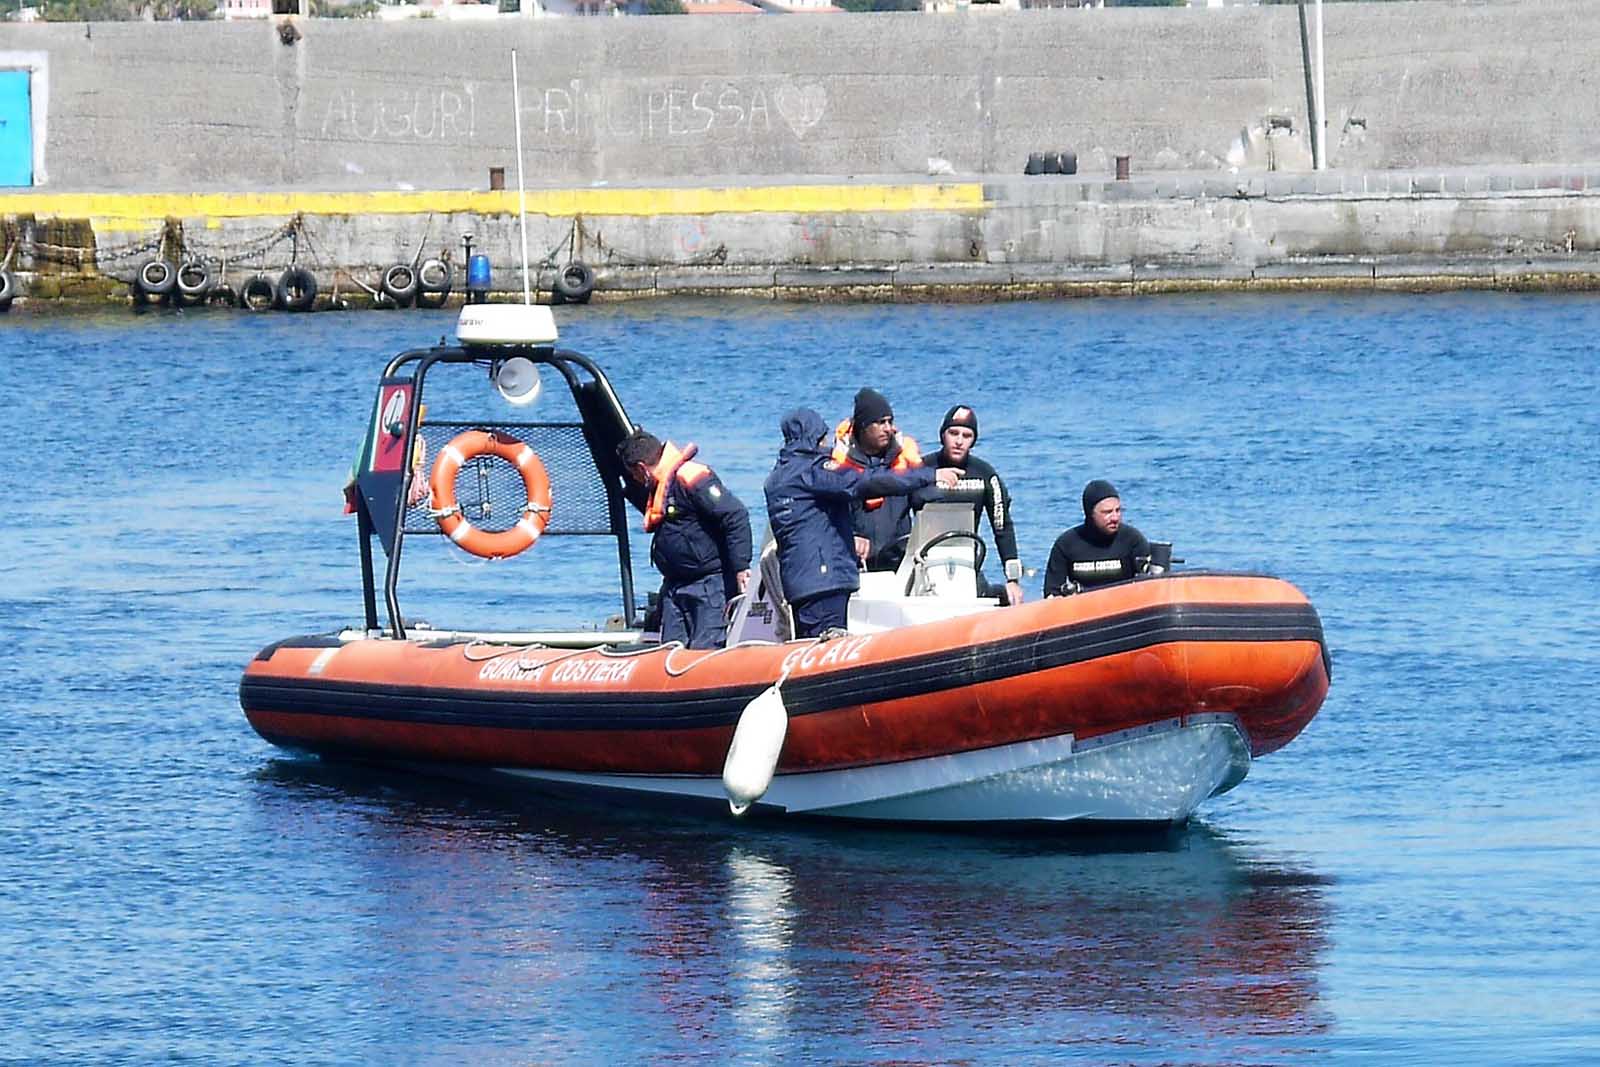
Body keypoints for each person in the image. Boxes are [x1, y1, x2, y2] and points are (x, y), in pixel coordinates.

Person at [765, 408, 959, 638]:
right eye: (822, 438)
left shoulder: (777, 478)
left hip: (798, 582)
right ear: (812, 438)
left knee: (809, 643)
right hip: (825, 581)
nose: (826, 443)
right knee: (828, 647)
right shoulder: (813, 472)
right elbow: (866, 483)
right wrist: (929, 476)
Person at [617, 429, 752, 649]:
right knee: (669, 651)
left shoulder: (691, 477)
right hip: (674, 587)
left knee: (705, 652)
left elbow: (735, 515)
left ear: (642, 468)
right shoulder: (657, 486)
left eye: (634, 474)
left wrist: (741, 567)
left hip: (709, 586)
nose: (635, 480)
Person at [917, 404, 1025, 606]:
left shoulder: (985, 474)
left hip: (966, 564)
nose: (959, 441)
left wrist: (1013, 580)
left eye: (966, 436)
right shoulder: (921, 470)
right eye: (953, 433)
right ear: (943, 435)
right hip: (923, 564)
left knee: (1002, 597)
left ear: (973, 440)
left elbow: (1002, 526)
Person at [831, 387, 924, 572]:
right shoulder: (839, 466)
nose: (888, 429)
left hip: (899, 564)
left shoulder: (903, 459)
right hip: (856, 565)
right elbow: (830, 516)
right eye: (881, 423)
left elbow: (924, 502)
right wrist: (852, 536)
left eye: (890, 422)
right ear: (864, 426)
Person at [1043, 479, 1151, 595]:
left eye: (1118, 510)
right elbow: (1052, 592)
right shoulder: (1066, 544)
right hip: (1083, 607)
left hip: (1125, 605)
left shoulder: (1132, 540)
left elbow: (1150, 587)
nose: (1115, 518)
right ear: (1090, 514)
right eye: (1107, 512)